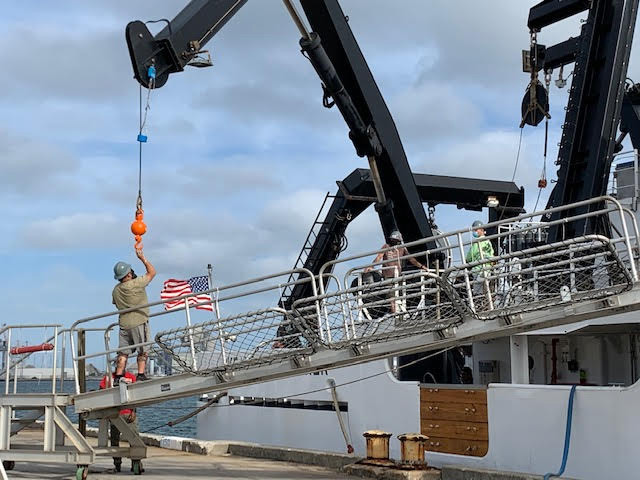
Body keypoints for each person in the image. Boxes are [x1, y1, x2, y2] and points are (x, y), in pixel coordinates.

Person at [112, 248, 156, 385]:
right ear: (128, 274)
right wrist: (142, 258)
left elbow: (115, 303)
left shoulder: (116, 290)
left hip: (124, 324)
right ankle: (141, 374)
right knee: (143, 349)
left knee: (123, 353)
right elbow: (152, 272)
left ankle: (118, 377)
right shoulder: (136, 284)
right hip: (139, 321)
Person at [365, 230, 428, 313]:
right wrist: (371, 266)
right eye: (392, 240)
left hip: (398, 275)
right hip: (388, 275)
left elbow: (411, 259)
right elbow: (379, 257)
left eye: (395, 240)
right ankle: (395, 313)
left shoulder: (402, 248)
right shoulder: (386, 246)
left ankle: (400, 312)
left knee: (400, 294)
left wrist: (422, 266)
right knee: (392, 296)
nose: (393, 241)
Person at [99, 371, 139, 472]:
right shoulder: (108, 377)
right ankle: (117, 464)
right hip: (115, 414)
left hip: (128, 412)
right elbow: (100, 393)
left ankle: (136, 462)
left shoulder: (131, 377)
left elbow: (136, 396)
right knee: (114, 440)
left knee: (134, 438)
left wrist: (133, 411)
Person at [465, 220, 495, 304]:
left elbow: (471, 256)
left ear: (481, 230)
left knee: (478, 290)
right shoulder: (484, 242)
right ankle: (486, 304)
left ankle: (481, 305)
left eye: (476, 230)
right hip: (483, 269)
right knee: (483, 288)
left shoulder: (480, 242)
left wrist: (467, 260)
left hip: (480, 269)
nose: (474, 232)